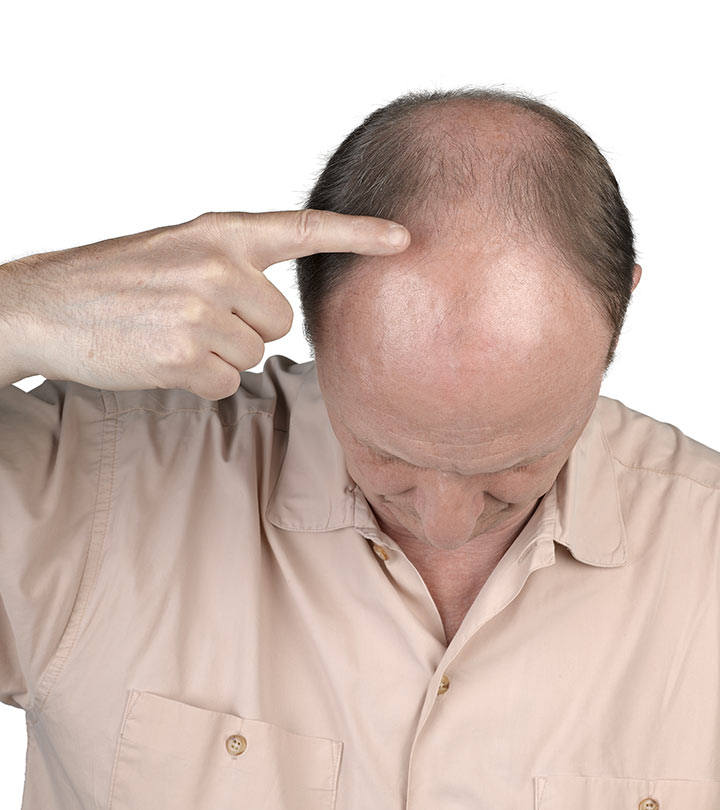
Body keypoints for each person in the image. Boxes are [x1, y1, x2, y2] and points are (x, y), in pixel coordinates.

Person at [1, 87, 718, 809]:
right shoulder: (89, 484)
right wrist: (17, 309)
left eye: (512, 467)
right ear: (310, 313)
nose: (443, 525)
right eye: (389, 458)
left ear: (619, 318)